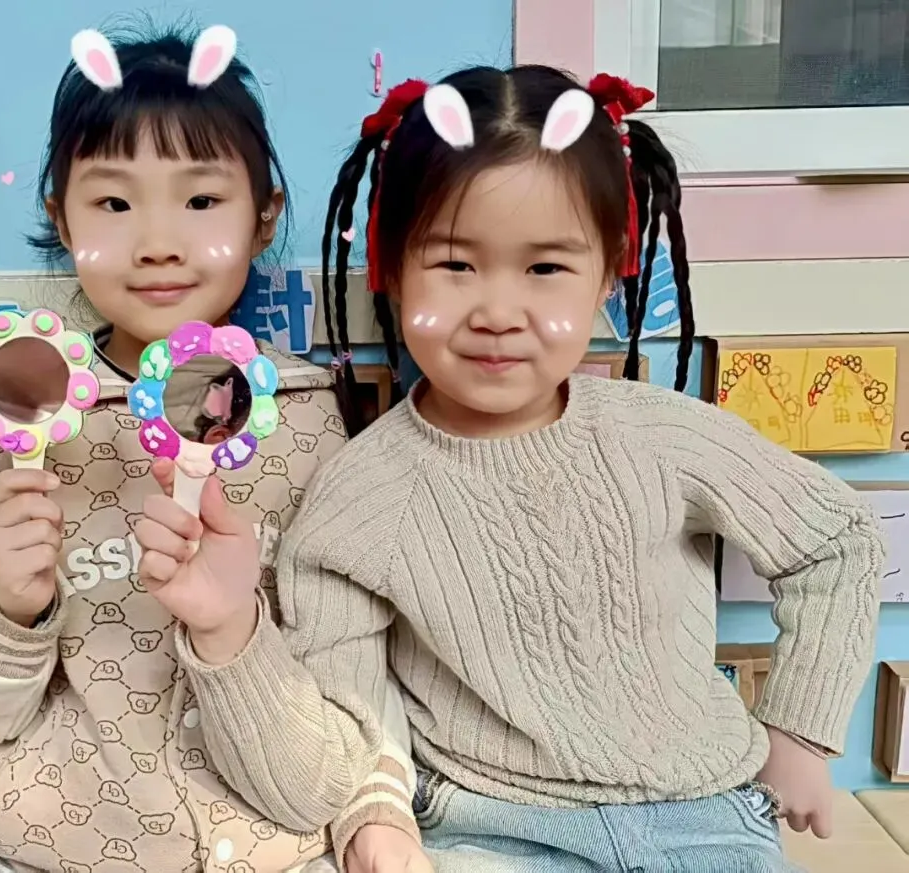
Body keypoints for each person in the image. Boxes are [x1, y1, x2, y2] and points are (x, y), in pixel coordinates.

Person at [134, 65, 887, 872]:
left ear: (608, 274)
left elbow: (837, 540)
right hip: (490, 827)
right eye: (456, 266)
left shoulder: (663, 437)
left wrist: (799, 733)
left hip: (705, 816)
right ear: (392, 268)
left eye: (546, 269)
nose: (497, 312)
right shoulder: (361, 497)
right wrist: (234, 643)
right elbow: (337, 750)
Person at [0, 20, 413, 873]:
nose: (158, 241)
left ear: (264, 215)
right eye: (113, 203)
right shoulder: (12, 420)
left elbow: (359, 688)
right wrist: (2, 607)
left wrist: (373, 810)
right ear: (61, 217)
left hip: (277, 848)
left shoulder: (313, 422)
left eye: (201, 202)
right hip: (44, 850)